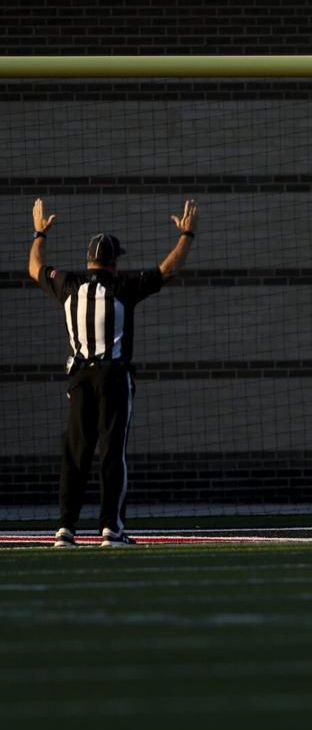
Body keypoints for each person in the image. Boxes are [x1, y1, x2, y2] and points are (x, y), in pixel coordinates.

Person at [29, 198, 197, 547]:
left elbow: (35, 267)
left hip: (80, 379)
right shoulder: (123, 286)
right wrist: (187, 235)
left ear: (90, 260)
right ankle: (111, 528)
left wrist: (39, 232)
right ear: (115, 261)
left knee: (76, 451)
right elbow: (168, 269)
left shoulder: (69, 286)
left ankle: (65, 528)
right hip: (113, 378)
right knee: (111, 451)